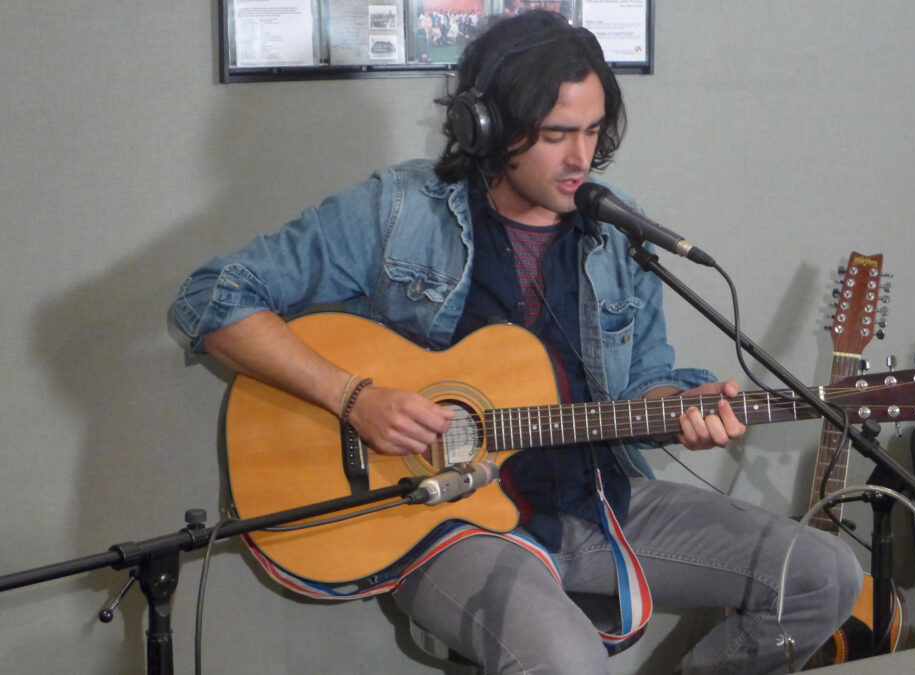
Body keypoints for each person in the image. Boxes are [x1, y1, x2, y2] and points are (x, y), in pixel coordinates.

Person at [171, 10, 861, 674]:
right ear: (488, 126)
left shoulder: (619, 232)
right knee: (566, 662)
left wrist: (684, 405)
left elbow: (645, 381)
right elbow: (212, 299)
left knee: (823, 574)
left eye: (593, 131)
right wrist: (354, 397)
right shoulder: (399, 210)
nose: (582, 156)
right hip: (446, 523)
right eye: (559, 133)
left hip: (598, 500)